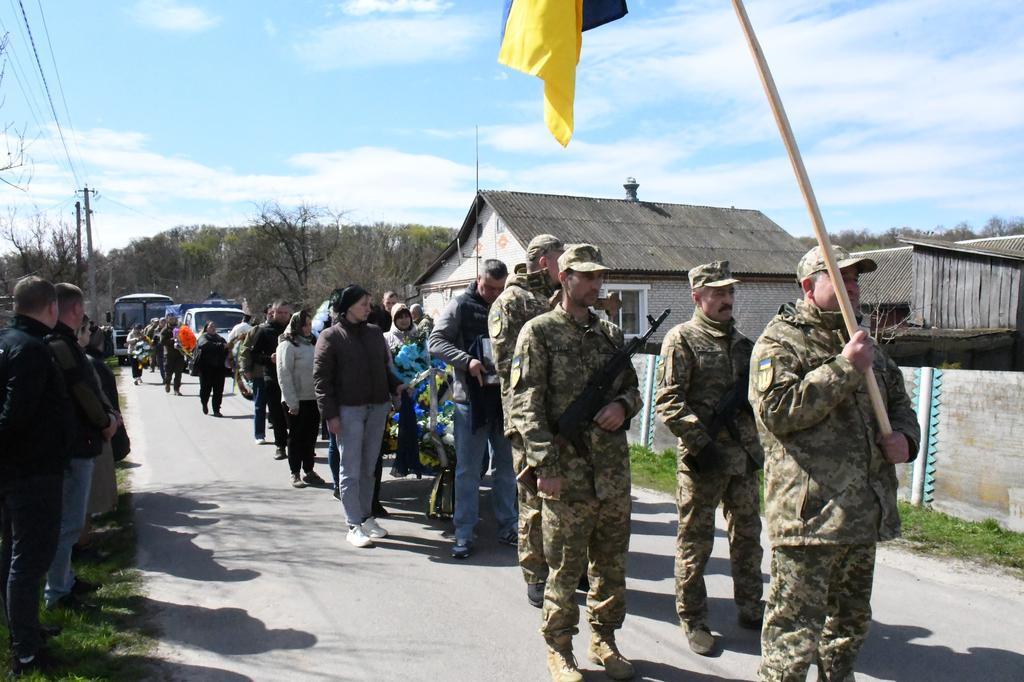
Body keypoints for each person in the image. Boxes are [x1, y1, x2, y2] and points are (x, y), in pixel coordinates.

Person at [751, 246, 920, 682]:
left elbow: (900, 407)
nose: (852, 287)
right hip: (810, 518)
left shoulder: (871, 349)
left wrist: (907, 440)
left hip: (862, 514)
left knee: (847, 630)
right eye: (839, 279)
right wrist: (844, 367)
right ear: (809, 287)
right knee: (793, 636)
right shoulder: (778, 342)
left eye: (856, 280)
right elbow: (779, 411)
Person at [509, 245, 641, 682]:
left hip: (611, 473)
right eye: (587, 277)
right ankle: (559, 649)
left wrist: (622, 406)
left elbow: (633, 389)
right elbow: (525, 406)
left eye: (599, 276)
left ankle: (605, 639)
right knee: (565, 568)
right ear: (564, 277)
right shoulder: (538, 333)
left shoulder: (610, 335)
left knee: (610, 566)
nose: (596, 284)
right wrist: (545, 466)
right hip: (565, 475)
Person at [655, 261, 765, 655]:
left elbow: (759, 399)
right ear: (697, 296)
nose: (726, 300)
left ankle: (751, 607)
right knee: (696, 543)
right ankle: (694, 617)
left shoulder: (746, 345)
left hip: (744, 460)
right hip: (703, 461)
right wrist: (704, 443)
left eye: (730, 292)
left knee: (748, 538)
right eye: (717, 293)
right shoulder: (681, 339)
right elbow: (667, 401)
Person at [0, 277, 71, 676]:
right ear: (50, 307)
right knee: (27, 562)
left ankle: (23, 632)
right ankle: (25, 652)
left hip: (18, 470)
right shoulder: (30, 349)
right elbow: (15, 414)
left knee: (14, 556)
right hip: (31, 471)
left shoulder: (8, 340)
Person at [489, 234, 563, 607]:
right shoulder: (511, 301)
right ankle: (535, 574)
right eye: (561, 259)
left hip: (563, 416)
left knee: (565, 495)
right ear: (545, 260)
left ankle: (565, 566)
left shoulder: (557, 299)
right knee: (533, 498)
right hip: (527, 416)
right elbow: (507, 366)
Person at [428, 259, 515, 560]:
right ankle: (464, 531)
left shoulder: (508, 305)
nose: (493, 294)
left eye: (499, 289)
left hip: (504, 400)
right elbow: (435, 342)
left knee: (506, 468)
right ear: (478, 279)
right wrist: (468, 361)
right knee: (468, 470)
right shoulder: (460, 306)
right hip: (470, 402)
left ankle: (509, 526)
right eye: (489, 287)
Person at [44, 284, 120, 612]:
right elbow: (82, 391)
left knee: (70, 522)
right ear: (75, 310)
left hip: (68, 442)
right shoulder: (62, 344)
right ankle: (57, 592)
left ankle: (65, 580)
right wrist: (106, 422)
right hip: (74, 445)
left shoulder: (54, 341)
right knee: (69, 524)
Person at [314, 285, 405, 548]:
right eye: (364, 304)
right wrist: (330, 415)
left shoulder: (375, 333)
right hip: (348, 410)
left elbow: (384, 368)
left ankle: (367, 517)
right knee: (350, 469)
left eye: (369, 303)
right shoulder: (330, 337)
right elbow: (322, 381)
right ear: (349, 306)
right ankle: (353, 524)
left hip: (377, 407)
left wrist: (395, 385)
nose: (369, 308)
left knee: (369, 468)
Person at [277, 310, 326, 489]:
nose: (308, 327)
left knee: (311, 436)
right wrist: (292, 402)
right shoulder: (287, 345)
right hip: (296, 400)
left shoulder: (310, 343)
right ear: (297, 325)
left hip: (312, 397)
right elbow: (284, 374)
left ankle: (309, 470)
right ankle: (295, 472)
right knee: (296, 437)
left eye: (309, 324)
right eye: (305, 324)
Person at [241, 301, 291, 458]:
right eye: (279, 312)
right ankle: (280, 446)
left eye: (285, 313)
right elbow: (254, 354)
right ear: (272, 313)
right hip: (272, 377)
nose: (282, 315)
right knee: (277, 413)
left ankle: (300, 445)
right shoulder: (263, 331)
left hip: (294, 378)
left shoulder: (295, 330)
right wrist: (269, 358)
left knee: (295, 414)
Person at [82, 323, 120, 522]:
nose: (88, 332)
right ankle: (83, 540)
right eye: (85, 329)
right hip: (92, 431)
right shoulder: (87, 362)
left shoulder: (90, 361)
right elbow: (89, 396)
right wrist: (107, 420)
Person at [193, 321, 229, 417]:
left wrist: (228, 348)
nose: (213, 328)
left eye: (214, 326)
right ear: (206, 328)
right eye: (211, 326)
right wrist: (221, 346)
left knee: (218, 390)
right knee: (205, 389)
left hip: (219, 368)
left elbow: (226, 349)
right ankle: (204, 403)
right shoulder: (203, 337)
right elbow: (204, 345)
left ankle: (216, 410)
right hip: (206, 369)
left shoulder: (220, 338)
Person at [159, 315, 186, 395]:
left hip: (179, 353)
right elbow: (162, 342)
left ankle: (176, 389)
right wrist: (172, 340)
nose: (173, 320)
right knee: (169, 373)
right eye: (171, 319)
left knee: (179, 373)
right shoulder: (165, 330)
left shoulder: (181, 328)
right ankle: (167, 383)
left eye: (174, 319)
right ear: (168, 320)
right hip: (169, 354)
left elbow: (186, 338)